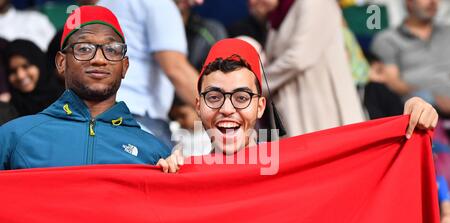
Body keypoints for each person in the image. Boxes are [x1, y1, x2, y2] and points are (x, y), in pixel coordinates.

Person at [157, 38, 439, 172]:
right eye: (214, 97)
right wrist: (170, 183)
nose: (227, 109)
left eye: (242, 98)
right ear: (198, 105)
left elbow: (369, 174)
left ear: (260, 106)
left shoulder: (295, 168)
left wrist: (412, 113)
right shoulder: (184, 168)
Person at [0, 6, 170, 170]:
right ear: (61, 62)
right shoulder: (13, 138)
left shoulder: (155, 153)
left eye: (112, 49)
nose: (99, 59)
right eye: (84, 49)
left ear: (124, 66)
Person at [99, 0, 200, 147]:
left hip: (99, 116)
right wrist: (220, 111)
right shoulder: (160, 4)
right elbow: (177, 70)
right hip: (137, 120)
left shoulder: (105, 3)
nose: (198, 2)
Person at [263, 0, 366, 137]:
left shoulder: (316, 2)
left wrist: (258, 84)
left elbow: (299, 58)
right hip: (295, 105)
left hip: (321, 108)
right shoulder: (280, 12)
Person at [370, 0, 450, 113]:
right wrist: (431, 98)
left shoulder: (447, 33)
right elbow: (392, 82)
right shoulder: (387, 40)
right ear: (409, 2)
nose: (433, 1)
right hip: (419, 114)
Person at [5, 39, 64, 117]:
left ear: (39, 64)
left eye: (26, 66)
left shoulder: (66, 98)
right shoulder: (8, 111)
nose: (20, 75)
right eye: (12, 71)